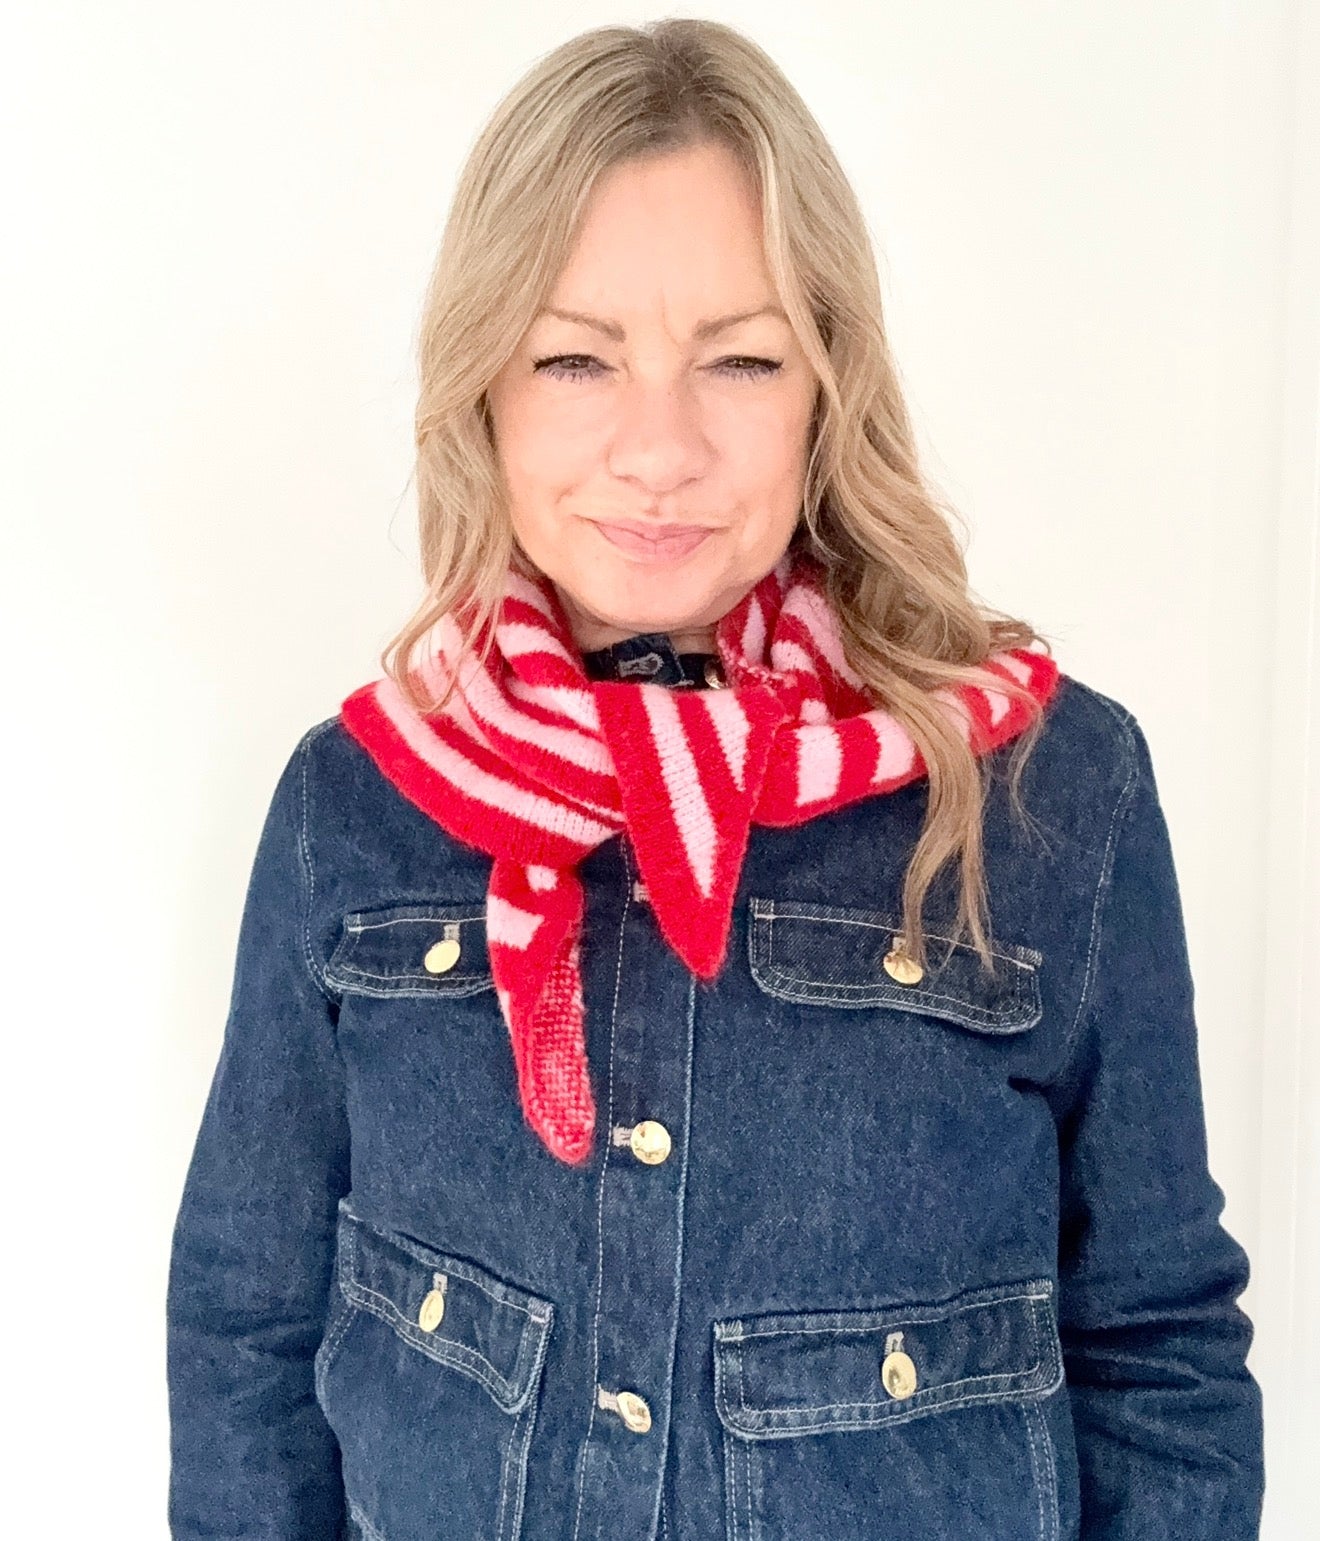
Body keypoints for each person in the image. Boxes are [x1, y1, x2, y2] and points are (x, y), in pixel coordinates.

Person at [165, 18, 1264, 1540]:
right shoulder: (354, 803)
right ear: (483, 383)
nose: (658, 447)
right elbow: (247, 1336)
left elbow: (1160, 1354)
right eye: (575, 356)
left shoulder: (1051, 796)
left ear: (828, 385)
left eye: (741, 358)